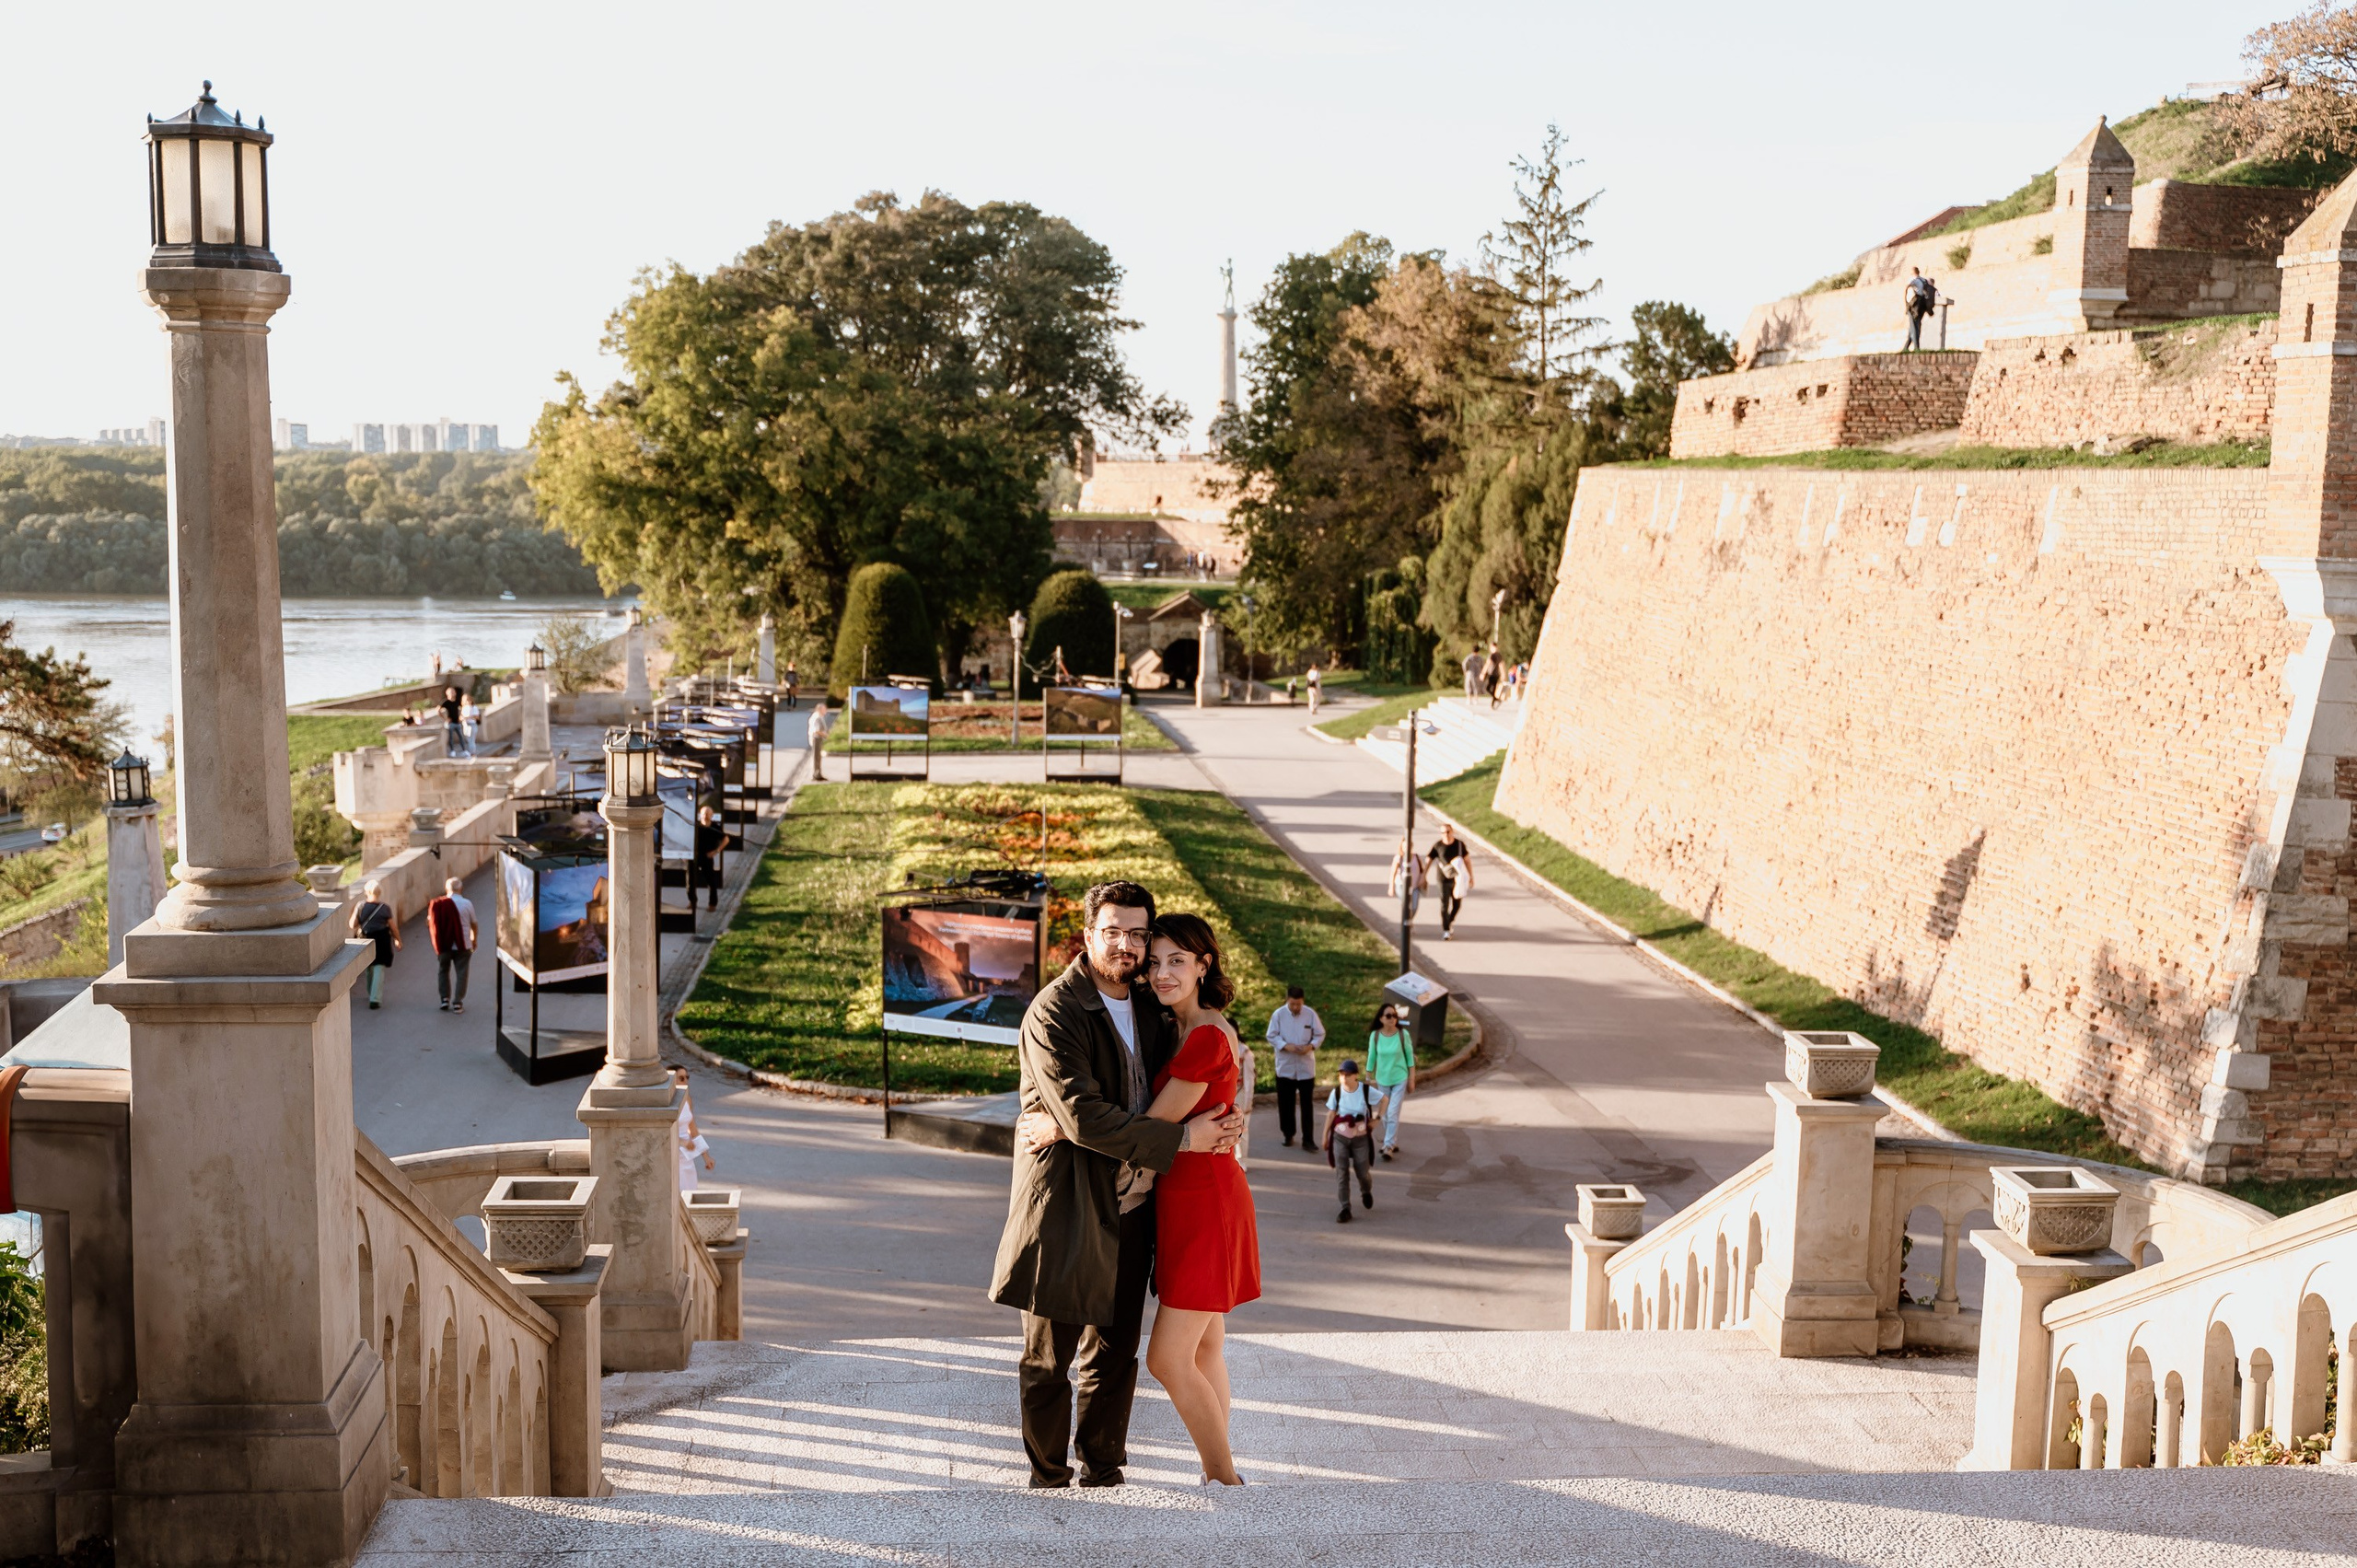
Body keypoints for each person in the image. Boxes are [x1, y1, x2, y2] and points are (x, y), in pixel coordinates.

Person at [993, 883, 1244, 1491]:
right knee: (1049, 1358)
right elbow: (1087, 1116)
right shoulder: (1054, 1011)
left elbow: (1193, 1072)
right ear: (1087, 934)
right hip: (1067, 1209)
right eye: (1115, 931)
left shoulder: (1156, 1008)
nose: (1130, 946)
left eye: (1139, 934)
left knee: (1114, 1353)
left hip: (1135, 1211)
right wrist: (1069, 1123)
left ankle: (1103, 1469)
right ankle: (1048, 1477)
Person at [1264, 985, 1324, 1150]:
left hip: (1306, 1068)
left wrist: (1311, 1046)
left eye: (1298, 1004)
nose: (1296, 1007)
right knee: (1286, 1103)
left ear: (1303, 1002)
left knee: (1307, 1105)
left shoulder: (1310, 1014)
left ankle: (1308, 1139)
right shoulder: (1279, 1015)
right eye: (1292, 1004)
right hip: (1285, 1067)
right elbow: (1271, 1035)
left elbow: (1320, 1034)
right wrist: (1284, 1045)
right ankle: (1288, 1133)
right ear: (1287, 1000)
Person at [1326, 1058, 1376, 1223]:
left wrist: (1378, 1119)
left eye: (1348, 1074)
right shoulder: (1337, 1092)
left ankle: (1366, 1190)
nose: (1344, 1078)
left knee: (1363, 1171)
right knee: (1342, 1174)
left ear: (1356, 1076)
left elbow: (1384, 1100)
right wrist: (1325, 1135)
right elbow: (1331, 1113)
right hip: (1340, 1138)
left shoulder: (1365, 1091)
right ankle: (1345, 1208)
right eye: (1342, 1074)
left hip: (1360, 1138)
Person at [1366, 1000, 1415, 1162]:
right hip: (1382, 1079)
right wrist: (1368, 1076)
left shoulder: (1403, 1035)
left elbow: (1410, 1059)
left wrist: (1411, 1080)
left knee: (1393, 1112)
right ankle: (1392, 1141)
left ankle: (1387, 1146)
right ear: (1381, 1018)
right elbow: (1372, 1057)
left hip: (1400, 1078)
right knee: (1385, 1114)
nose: (1392, 1018)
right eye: (1388, 1016)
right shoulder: (1376, 1036)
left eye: (1394, 1016)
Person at [425, 876, 476, 1014]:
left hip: (444, 945)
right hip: (463, 944)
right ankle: (457, 1002)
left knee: (443, 970)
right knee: (462, 973)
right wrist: (474, 939)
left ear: (446, 889)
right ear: (461, 888)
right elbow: (474, 924)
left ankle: (444, 999)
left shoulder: (438, 904)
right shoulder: (467, 903)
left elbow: (430, 923)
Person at [349, 881, 400, 1010]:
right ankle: (375, 998)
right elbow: (392, 927)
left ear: (367, 892)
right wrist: (398, 939)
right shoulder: (385, 908)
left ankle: (371, 993)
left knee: (369, 967)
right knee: (379, 967)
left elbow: (352, 925)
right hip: (382, 939)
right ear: (379, 892)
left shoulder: (361, 906)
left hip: (365, 939)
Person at [1427, 822, 1474, 941]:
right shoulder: (1438, 846)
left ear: (1452, 832)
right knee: (1444, 905)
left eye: (1448, 832)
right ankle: (1446, 930)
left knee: (1457, 904)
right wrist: (1423, 876)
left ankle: (1450, 920)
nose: (1446, 834)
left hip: (1457, 880)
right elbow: (1428, 860)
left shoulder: (1459, 845)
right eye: (1443, 832)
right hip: (1442, 880)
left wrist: (1471, 877)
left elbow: (1467, 861)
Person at [673, 1066, 714, 1191]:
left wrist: (706, 1157)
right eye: (681, 1078)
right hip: (673, 1155)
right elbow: (662, 1132)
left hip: (687, 1157)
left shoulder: (687, 1099)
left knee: (690, 1192)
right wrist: (681, 1142)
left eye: (687, 1077)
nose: (685, 1081)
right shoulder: (666, 1102)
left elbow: (693, 1130)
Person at [692, 803, 728, 912]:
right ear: (700, 815)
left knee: (711, 881)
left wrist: (716, 851)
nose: (705, 816)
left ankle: (712, 904)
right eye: (704, 813)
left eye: (708, 814)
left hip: (707, 857)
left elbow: (726, 839)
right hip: (694, 856)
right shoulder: (695, 826)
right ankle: (692, 902)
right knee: (690, 881)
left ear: (712, 815)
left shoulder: (715, 827)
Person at [1388, 837, 1426, 923]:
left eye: (1408, 846)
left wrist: (1422, 879)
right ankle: (1406, 924)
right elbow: (1393, 873)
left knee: (1414, 907)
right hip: (1401, 886)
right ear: (1402, 847)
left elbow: (1422, 871)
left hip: (1415, 886)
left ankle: (1409, 921)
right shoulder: (1399, 858)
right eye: (1405, 847)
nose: (1407, 849)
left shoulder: (1416, 857)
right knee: (1406, 904)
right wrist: (1391, 887)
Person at [1903, 267, 1935, 352]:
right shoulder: (1924, 280)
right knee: (1915, 325)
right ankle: (1906, 347)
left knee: (1914, 326)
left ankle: (1917, 347)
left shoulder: (1914, 279)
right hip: (1922, 305)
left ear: (1912, 273)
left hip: (1914, 304)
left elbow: (1907, 287)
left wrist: (1906, 300)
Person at [438, 684, 467, 758]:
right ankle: (452, 751)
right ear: (447, 694)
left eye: (453, 692)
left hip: (457, 722)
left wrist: (461, 716)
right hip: (451, 723)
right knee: (451, 738)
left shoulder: (457, 701)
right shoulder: (446, 702)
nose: (453, 693)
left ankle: (464, 750)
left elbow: (462, 708)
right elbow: (438, 710)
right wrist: (445, 718)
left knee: (461, 737)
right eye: (451, 692)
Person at [807, 698, 830, 781]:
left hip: (818, 738)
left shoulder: (819, 716)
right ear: (820, 709)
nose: (826, 711)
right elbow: (817, 730)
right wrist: (825, 735)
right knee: (816, 757)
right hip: (816, 738)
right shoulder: (817, 717)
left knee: (818, 757)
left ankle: (818, 773)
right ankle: (815, 774)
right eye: (824, 709)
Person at [459, 692, 482, 757]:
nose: (467, 701)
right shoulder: (464, 708)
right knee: (468, 740)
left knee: (472, 740)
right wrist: (462, 718)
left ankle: (473, 753)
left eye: (468, 700)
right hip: (465, 725)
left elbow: (477, 717)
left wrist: (468, 717)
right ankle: (470, 752)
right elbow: (461, 716)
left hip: (472, 724)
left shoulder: (474, 707)